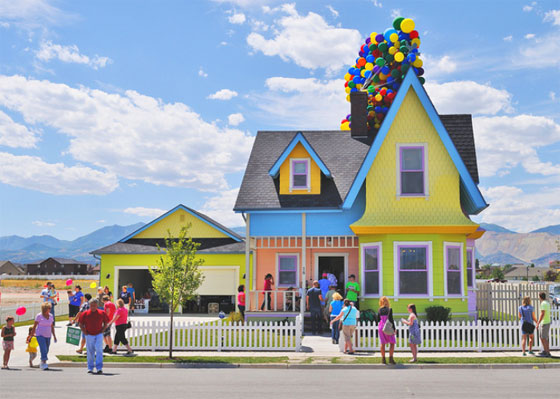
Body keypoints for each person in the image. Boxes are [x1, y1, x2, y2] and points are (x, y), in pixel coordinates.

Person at [79, 299, 109, 374]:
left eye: (94, 305)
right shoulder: (85, 313)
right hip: (89, 335)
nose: (93, 307)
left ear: (97, 305)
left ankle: (99, 368)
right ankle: (90, 367)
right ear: (89, 305)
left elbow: (106, 322)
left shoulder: (102, 313)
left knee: (99, 350)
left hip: (98, 334)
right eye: (91, 305)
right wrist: (85, 332)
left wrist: (102, 331)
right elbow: (80, 323)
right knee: (90, 351)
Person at [30, 302, 57, 370]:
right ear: (45, 309)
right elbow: (34, 326)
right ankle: (44, 362)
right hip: (40, 335)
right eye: (49, 308)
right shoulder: (39, 316)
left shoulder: (51, 316)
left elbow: (52, 326)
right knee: (43, 348)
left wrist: (54, 335)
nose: (50, 309)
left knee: (46, 349)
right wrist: (31, 336)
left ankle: (42, 361)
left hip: (48, 335)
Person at [378, 296, 396, 364]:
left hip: (381, 327)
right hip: (388, 327)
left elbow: (378, 319)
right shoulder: (389, 309)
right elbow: (391, 319)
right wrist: (394, 328)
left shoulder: (379, 310)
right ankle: (391, 359)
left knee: (382, 343)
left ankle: (383, 359)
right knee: (392, 343)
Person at [536, 292, 551, 357]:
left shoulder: (543, 303)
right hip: (546, 321)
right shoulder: (547, 303)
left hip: (545, 322)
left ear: (540, 297)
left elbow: (542, 314)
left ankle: (547, 353)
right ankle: (545, 351)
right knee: (543, 337)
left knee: (543, 338)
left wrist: (538, 322)